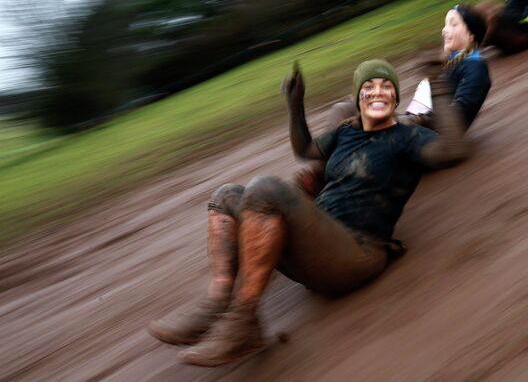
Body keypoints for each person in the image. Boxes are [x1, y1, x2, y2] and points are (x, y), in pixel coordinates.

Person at [147, 59, 469, 367]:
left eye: (386, 86)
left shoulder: (407, 137)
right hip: (319, 244)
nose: (377, 92)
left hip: (357, 252)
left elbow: (453, 150)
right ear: (358, 98)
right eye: (368, 87)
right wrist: (295, 104)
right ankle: (217, 302)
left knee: (266, 189)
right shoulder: (346, 133)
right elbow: (304, 149)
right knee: (226, 196)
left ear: (396, 97)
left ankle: (242, 321)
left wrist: (439, 87)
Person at [296, 3, 491, 196]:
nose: (444, 30)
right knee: (351, 107)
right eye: (445, 24)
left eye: (453, 24)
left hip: (427, 139)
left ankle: (322, 175)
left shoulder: (475, 68)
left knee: (347, 109)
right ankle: (323, 173)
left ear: (471, 35)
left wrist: (412, 115)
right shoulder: (452, 63)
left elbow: (458, 118)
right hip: (416, 126)